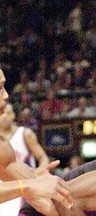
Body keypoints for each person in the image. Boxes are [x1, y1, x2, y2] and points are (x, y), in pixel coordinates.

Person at [0, 68, 73, 214]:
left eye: (3, 87)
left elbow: (41, 199)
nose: (6, 95)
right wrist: (29, 185)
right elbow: (31, 186)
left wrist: (36, 178)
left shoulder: (5, 144)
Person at [0, 103, 50, 216]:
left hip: (24, 189)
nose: (5, 116)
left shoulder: (25, 134)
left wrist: (41, 171)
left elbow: (43, 157)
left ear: (13, 116)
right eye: (3, 113)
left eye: (9, 113)